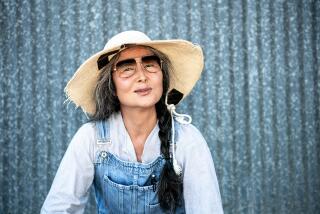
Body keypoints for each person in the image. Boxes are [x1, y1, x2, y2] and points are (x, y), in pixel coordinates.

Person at [41, 31, 223, 214]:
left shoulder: (187, 140)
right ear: (111, 86)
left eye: (150, 65)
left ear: (162, 76)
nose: (142, 76)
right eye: (127, 68)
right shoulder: (91, 138)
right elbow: (58, 208)